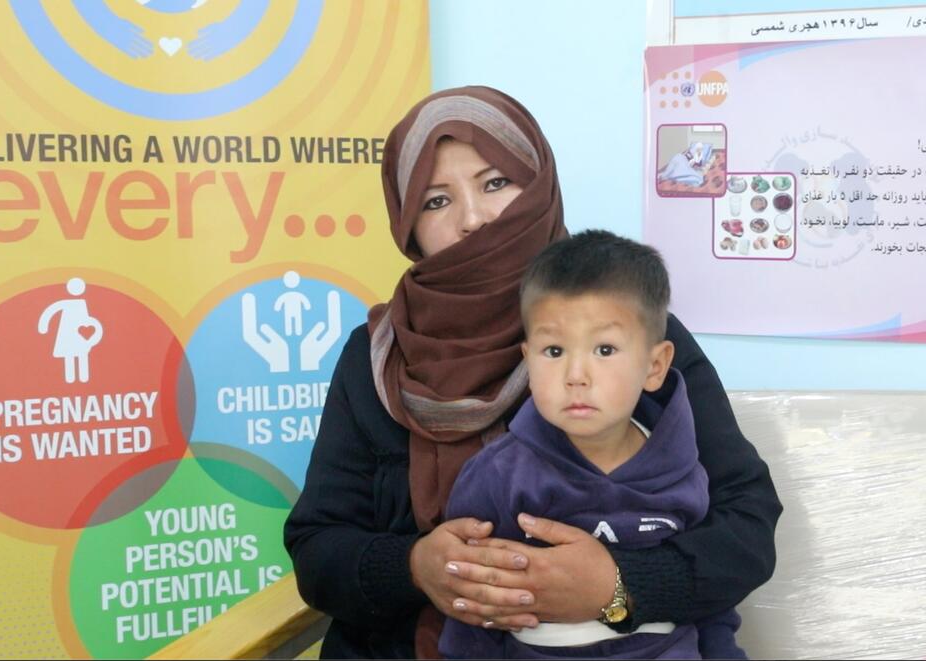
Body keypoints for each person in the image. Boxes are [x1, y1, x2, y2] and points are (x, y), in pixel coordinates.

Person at [283, 86, 781, 659]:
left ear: (538, 187)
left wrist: (618, 587)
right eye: (436, 201)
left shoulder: (629, 337)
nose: (473, 220)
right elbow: (318, 547)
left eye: (496, 183)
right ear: (408, 226)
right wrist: (416, 568)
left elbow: (745, 523)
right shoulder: (376, 357)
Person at [438, 229, 742, 659]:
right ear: (527, 360)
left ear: (655, 367)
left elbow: (712, 601)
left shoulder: (686, 471)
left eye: (604, 349)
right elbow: (473, 606)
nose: (576, 374)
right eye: (554, 350)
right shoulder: (497, 475)